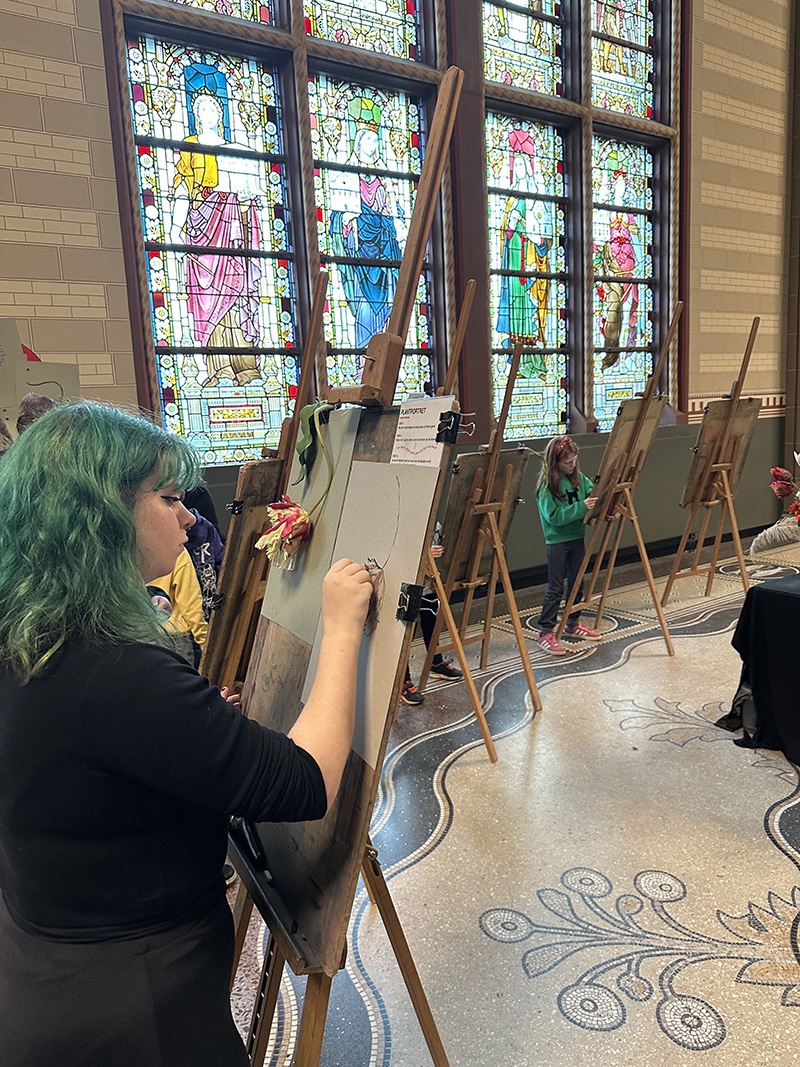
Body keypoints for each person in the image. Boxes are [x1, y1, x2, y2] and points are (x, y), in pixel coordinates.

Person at [0, 400, 372, 1067]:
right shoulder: (116, 670)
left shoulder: (31, 632)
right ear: (102, 512)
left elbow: (91, 758)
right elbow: (306, 780)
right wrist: (341, 626)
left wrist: (187, 726)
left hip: (47, 954)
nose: (190, 516)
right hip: (132, 1004)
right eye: (169, 498)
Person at [170, 89, 263, 388]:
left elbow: (249, 195)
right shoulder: (190, 146)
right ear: (196, 115)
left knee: (236, 291)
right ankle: (219, 367)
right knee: (209, 298)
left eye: (213, 108)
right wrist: (175, 227)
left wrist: (246, 199)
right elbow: (183, 187)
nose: (209, 113)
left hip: (232, 224)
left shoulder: (235, 149)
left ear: (220, 115)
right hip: (203, 227)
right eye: (203, 109)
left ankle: (245, 366)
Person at [536, 435, 601, 655]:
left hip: (576, 537)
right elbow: (554, 517)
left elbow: (593, 493)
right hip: (557, 541)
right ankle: (546, 631)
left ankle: (572, 623)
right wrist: (582, 507)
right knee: (556, 587)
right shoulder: (547, 487)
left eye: (574, 460)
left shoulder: (579, 478)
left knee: (577, 583)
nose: (572, 465)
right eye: (567, 462)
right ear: (555, 463)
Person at [401, 537, 462, 706]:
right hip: (407, 583)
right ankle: (403, 681)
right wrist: (424, 553)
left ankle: (436, 662)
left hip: (429, 581)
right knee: (406, 633)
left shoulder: (438, 524)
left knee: (430, 622)